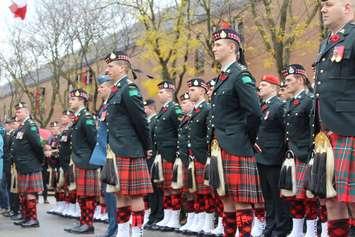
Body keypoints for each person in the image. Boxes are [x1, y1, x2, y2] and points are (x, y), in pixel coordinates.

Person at [210, 26, 263, 236]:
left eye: (218, 44)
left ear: (232, 47)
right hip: (221, 144)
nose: (214, 48)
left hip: (237, 144)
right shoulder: (223, 76)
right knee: (226, 198)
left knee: (241, 201)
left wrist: (247, 138)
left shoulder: (241, 75)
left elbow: (255, 113)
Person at [313, 1, 355, 236]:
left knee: (352, 201)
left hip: (350, 127)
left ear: (347, 7)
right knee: (331, 200)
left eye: (328, 4)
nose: (323, 9)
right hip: (327, 133)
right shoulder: (327, 42)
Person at [105, 50, 153, 237]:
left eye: (110, 66)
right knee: (119, 194)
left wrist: (147, 146)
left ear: (122, 67)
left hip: (131, 149)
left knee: (135, 195)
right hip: (117, 149)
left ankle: (137, 231)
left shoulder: (129, 88)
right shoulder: (116, 90)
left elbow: (140, 121)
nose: (107, 70)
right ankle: (123, 231)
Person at [282, 64, 318, 237]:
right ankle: (296, 230)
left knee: (309, 197)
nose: (285, 83)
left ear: (301, 79)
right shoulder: (291, 101)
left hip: (306, 153)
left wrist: (312, 152)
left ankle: (311, 232)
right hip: (292, 154)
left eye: (289, 80)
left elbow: (313, 129)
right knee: (294, 195)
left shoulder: (309, 100)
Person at [255, 75, 292, 237]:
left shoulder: (279, 105)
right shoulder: (261, 106)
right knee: (267, 195)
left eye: (263, 85)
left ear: (273, 87)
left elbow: (286, 131)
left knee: (278, 196)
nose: (260, 87)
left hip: (274, 157)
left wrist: (283, 152)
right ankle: (270, 224)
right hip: (261, 156)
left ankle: (281, 227)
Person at [64, 89, 99, 234]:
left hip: (86, 161)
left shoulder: (86, 117)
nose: (70, 101)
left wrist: (92, 160)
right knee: (81, 194)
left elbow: (94, 140)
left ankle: (88, 223)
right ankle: (83, 221)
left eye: (73, 99)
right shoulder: (78, 117)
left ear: (81, 100)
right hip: (79, 160)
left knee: (88, 195)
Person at [150, 80, 184, 232]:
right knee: (166, 188)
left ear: (170, 93)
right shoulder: (163, 110)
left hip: (172, 154)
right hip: (162, 153)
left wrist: (178, 153)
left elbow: (181, 132)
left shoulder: (175, 109)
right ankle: (167, 216)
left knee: (173, 187)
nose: (159, 94)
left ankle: (175, 218)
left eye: (162, 92)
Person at [185, 78, 215, 235]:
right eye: (189, 90)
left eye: (193, 90)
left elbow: (209, 135)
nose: (190, 92)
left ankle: (208, 222)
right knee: (197, 191)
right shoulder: (196, 110)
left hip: (203, 155)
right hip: (194, 156)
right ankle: (199, 219)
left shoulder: (206, 109)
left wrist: (208, 155)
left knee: (206, 192)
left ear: (203, 91)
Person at [91, 74, 118, 237]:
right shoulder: (104, 107)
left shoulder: (113, 105)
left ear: (109, 87)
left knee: (113, 194)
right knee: (107, 193)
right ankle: (112, 226)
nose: (99, 90)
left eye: (101, 87)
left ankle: (115, 229)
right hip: (104, 155)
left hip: (112, 155)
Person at [12, 102, 44, 228]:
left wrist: (38, 160)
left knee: (30, 193)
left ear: (26, 112)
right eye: (16, 111)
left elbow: (37, 145)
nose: (17, 113)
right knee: (24, 193)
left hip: (30, 164)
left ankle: (33, 219)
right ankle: (26, 217)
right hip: (22, 165)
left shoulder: (30, 125)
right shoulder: (22, 126)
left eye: (19, 111)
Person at [143, 99, 164, 229]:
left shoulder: (155, 120)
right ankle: (153, 214)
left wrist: (154, 152)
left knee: (157, 189)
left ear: (150, 108)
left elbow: (157, 139)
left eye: (144, 108)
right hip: (148, 159)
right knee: (151, 190)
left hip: (154, 158)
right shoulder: (149, 121)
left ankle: (158, 215)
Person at [2, 117, 20, 219]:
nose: (11, 125)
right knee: (10, 187)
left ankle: (16, 209)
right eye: (10, 123)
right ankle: (13, 209)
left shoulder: (15, 134)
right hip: (8, 164)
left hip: (13, 164)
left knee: (14, 188)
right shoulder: (9, 134)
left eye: (13, 123)